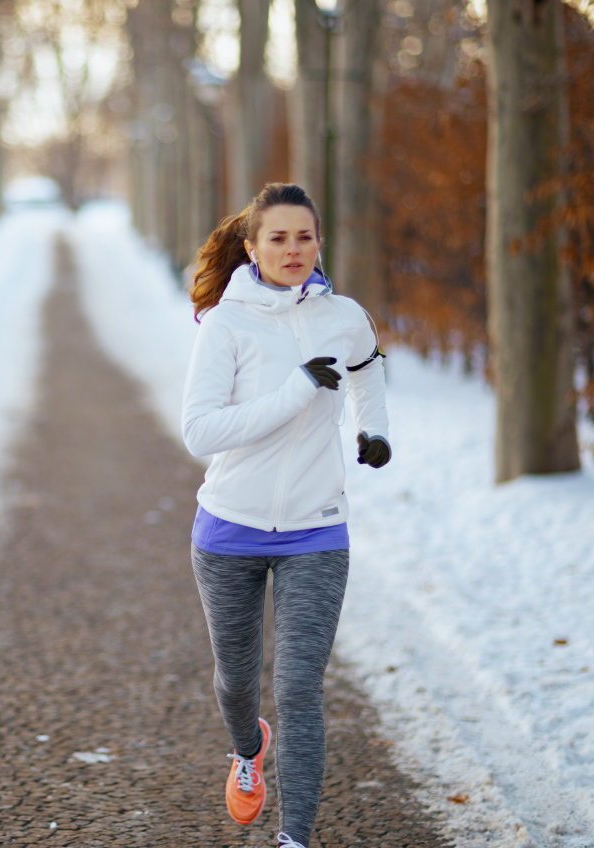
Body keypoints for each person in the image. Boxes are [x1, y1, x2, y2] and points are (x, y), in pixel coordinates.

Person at [180, 183, 391, 848]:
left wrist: (372, 429)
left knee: (300, 688)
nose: (293, 249)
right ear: (252, 247)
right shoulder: (227, 325)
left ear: (319, 242)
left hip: (316, 528)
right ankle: (248, 752)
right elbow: (200, 432)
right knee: (237, 682)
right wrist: (299, 388)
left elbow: (365, 367)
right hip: (229, 528)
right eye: (278, 237)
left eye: (305, 236)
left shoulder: (345, 316)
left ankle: (294, 839)